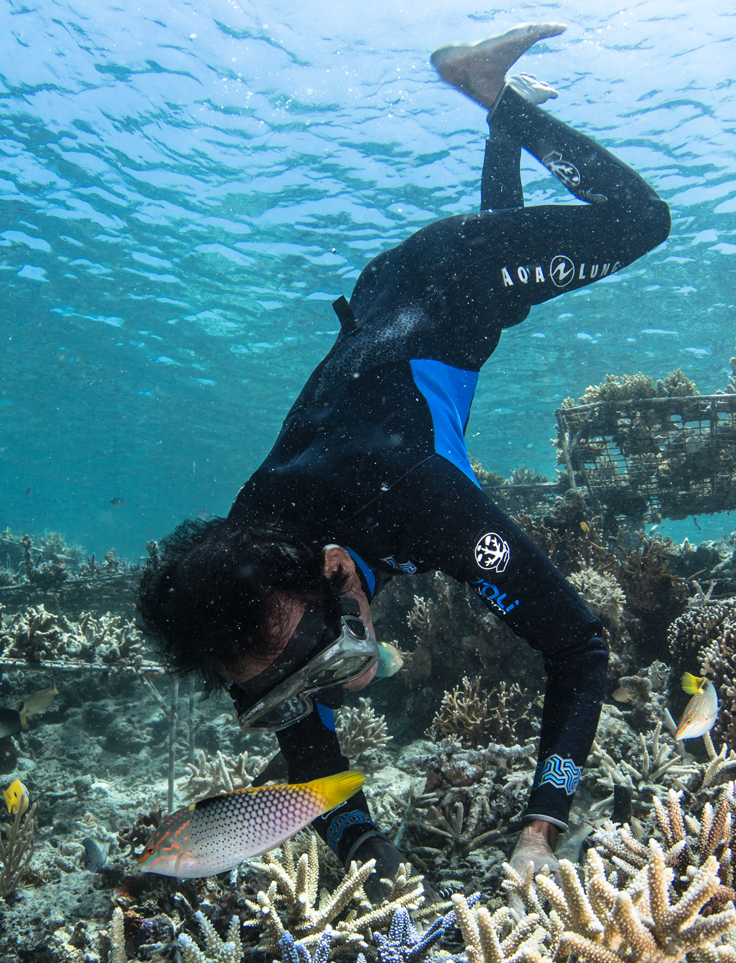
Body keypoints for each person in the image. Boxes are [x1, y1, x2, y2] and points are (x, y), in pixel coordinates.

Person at [138, 23, 670, 899]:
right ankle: (493, 96)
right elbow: (307, 745)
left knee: (641, 222)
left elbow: (578, 647)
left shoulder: (421, 505)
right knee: (510, 296)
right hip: (395, 315)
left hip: (439, 277)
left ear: (339, 569)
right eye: (276, 690)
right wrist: (366, 863)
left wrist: (542, 826)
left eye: (313, 668)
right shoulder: (264, 592)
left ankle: (494, 95)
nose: (325, 691)